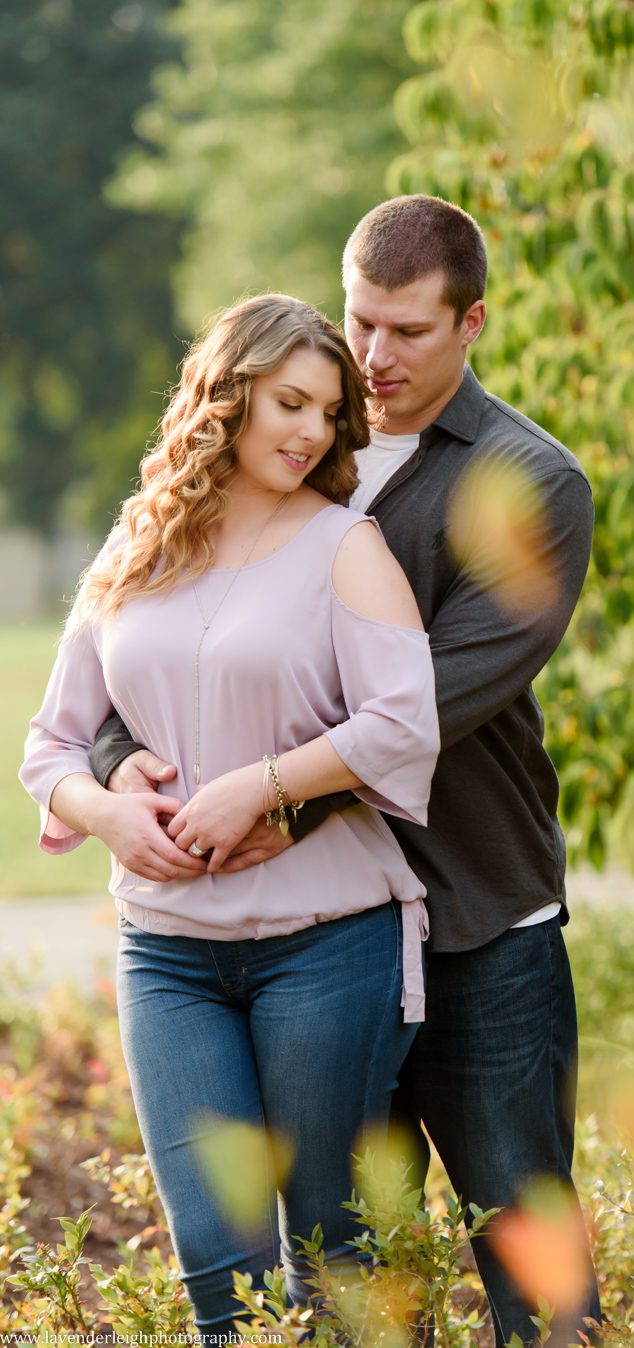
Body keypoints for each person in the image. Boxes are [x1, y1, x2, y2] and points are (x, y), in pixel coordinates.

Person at [92, 197, 602, 1344]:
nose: (374, 357)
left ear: (472, 323)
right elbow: (173, 633)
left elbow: (440, 699)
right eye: (360, 320)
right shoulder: (300, 438)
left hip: (476, 918)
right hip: (322, 942)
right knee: (353, 1275)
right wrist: (127, 758)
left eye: (409, 332)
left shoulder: (530, 483)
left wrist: (276, 796)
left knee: (530, 1260)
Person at [19, 294, 440, 1343]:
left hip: (329, 946)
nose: (308, 430)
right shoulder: (136, 543)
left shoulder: (347, 546)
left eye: (327, 413)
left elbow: (405, 723)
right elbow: (52, 745)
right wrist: (109, 815)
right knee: (221, 1270)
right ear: (227, 394)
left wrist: (264, 783)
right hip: (166, 957)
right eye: (288, 401)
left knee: (333, 1257)